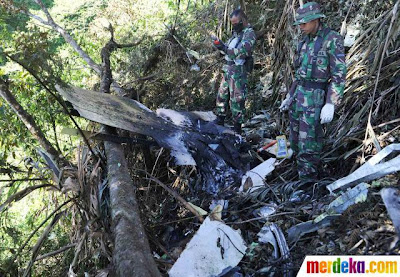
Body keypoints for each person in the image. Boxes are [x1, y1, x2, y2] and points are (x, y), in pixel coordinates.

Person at [280, 2, 346, 181]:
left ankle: (307, 184)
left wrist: (331, 103)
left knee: (309, 143)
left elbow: (339, 75)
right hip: (299, 97)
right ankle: (300, 175)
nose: (301, 27)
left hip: (315, 99)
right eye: (299, 24)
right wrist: (290, 95)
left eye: (304, 23)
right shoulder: (304, 41)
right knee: (294, 140)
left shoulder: (331, 39)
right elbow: (299, 74)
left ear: (316, 20)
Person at [212, 9, 256, 134]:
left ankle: (237, 128)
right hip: (228, 69)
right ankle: (220, 119)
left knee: (237, 99)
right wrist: (220, 45)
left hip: (238, 70)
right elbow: (228, 49)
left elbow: (243, 51)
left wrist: (224, 48)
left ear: (242, 20)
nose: (234, 25)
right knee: (222, 95)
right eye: (232, 23)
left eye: (236, 22)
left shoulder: (249, 33)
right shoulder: (236, 34)